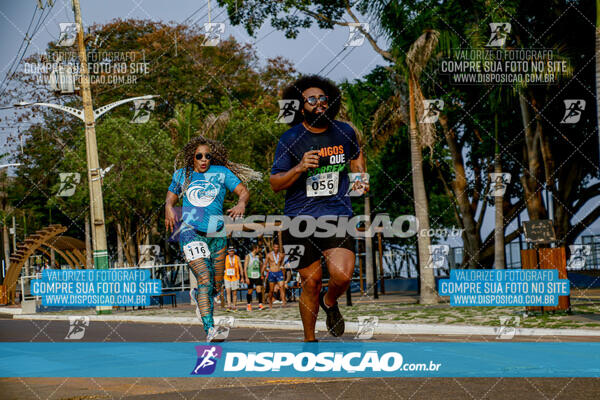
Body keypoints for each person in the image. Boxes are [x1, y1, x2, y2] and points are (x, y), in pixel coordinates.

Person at [270, 75, 368, 341]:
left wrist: (360, 176)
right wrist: (300, 167)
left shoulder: (344, 132)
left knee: (343, 275)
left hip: (337, 214)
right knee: (309, 282)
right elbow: (275, 183)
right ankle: (310, 341)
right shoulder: (290, 139)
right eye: (312, 99)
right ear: (302, 107)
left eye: (323, 99)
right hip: (298, 219)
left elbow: (356, 154)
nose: (319, 103)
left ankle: (330, 301)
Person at [165, 135, 259, 342]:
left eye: (208, 156)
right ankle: (210, 328)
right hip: (191, 230)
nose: (204, 159)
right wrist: (168, 208)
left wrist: (242, 203)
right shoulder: (182, 175)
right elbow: (171, 195)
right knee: (206, 280)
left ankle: (197, 293)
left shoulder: (222, 173)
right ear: (192, 157)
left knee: (216, 288)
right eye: (199, 156)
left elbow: (243, 191)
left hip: (216, 232)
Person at [242, 243, 264, 310]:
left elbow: (260, 265)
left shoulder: (258, 256)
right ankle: (248, 305)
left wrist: (261, 274)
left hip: (257, 275)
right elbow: (245, 268)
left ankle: (260, 304)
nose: (259, 250)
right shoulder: (248, 256)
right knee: (250, 291)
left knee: (259, 290)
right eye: (258, 248)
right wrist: (246, 278)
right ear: (255, 249)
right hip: (250, 276)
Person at [264, 242, 286, 308]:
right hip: (272, 273)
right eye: (275, 247)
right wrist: (266, 270)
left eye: (277, 247)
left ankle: (283, 302)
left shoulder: (281, 255)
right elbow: (265, 264)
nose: (276, 248)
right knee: (271, 290)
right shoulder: (269, 255)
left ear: (278, 248)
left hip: (279, 272)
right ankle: (270, 303)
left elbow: (282, 263)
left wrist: (282, 268)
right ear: (273, 248)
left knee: (282, 287)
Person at [224, 246, 241, 311]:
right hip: (227, 277)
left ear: (234, 251)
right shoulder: (225, 258)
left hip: (235, 277)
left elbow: (240, 267)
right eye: (230, 251)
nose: (231, 252)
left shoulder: (237, 258)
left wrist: (242, 276)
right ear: (228, 251)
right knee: (228, 292)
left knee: (234, 292)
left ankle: (234, 306)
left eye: (232, 251)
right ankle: (229, 306)